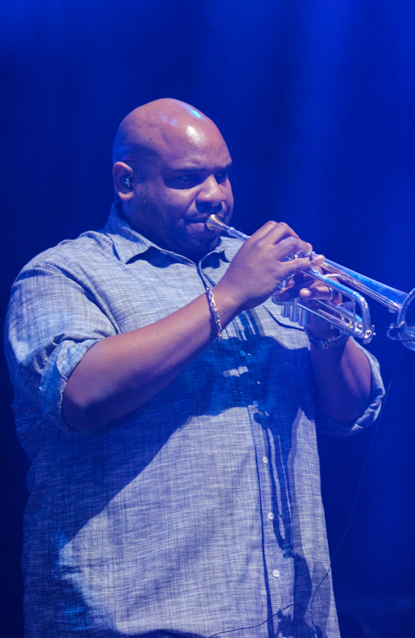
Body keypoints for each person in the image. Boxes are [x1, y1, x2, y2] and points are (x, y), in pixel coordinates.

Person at [5, 98, 384, 638]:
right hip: (135, 623)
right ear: (127, 182)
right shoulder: (62, 274)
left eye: (222, 175)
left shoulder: (262, 272)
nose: (215, 195)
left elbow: (351, 412)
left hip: (290, 622)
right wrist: (228, 296)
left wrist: (328, 334)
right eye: (187, 178)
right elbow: (80, 394)